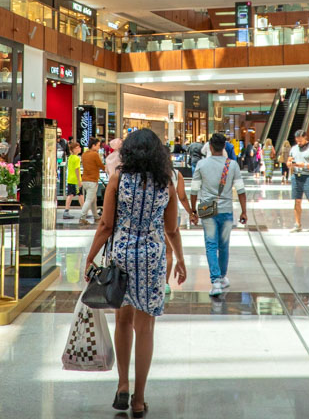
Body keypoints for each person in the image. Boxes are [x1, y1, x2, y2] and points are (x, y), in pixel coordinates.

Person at [84, 129, 186, 417]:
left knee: (122, 321)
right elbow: (171, 229)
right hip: (153, 257)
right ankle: (139, 399)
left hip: (123, 255)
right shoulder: (166, 183)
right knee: (146, 327)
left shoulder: (118, 178)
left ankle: (122, 385)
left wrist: (90, 257)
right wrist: (179, 259)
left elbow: (105, 225)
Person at [190, 133, 247, 297]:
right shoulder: (232, 165)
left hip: (207, 209)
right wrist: (244, 211)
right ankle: (222, 277)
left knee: (210, 245)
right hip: (226, 209)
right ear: (224, 146)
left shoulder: (201, 164)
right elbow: (241, 191)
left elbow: (194, 190)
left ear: (210, 146)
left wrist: (193, 211)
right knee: (223, 246)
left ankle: (215, 281)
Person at [165, 162, 194, 296]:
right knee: (168, 252)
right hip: (171, 215)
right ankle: (165, 283)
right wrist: (191, 212)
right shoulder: (176, 174)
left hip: (152, 218)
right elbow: (181, 196)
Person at [288, 130, 309, 233]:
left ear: (305, 138)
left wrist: (305, 165)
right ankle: (297, 224)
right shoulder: (294, 149)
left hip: (308, 176)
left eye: (300, 140)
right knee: (297, 200)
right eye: (297, 140)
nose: (299, 142)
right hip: (296, 176)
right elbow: (289, 160)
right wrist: (290, 163)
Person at [79, 138, 105, 225]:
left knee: (93, 200)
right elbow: (101, 165)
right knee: (89, 200)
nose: (99, 147)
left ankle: (96, 216)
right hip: (92, 180)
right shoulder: (95, 154)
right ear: (93, 145)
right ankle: (82, 217)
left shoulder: (84, 154)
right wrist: (108, 169)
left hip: (85, 180)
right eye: (98, 145)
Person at [62, 142, 81, 220]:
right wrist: (79, 180)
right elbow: (77, 169)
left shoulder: (70, 157)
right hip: (75, 180)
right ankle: (66, 211)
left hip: (70, 179)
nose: (79, 148)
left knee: (80, 195)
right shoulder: (77, 158)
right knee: (72, 195)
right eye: (77, 147)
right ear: (73, 149)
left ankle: (84, 210)